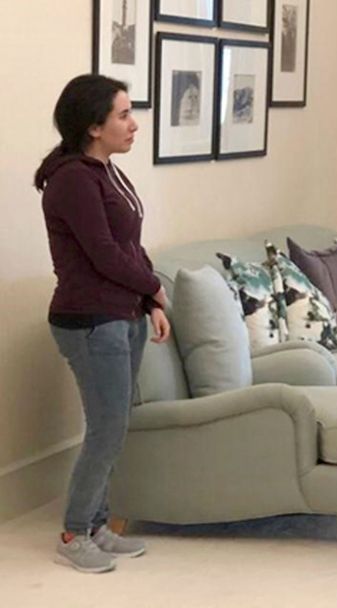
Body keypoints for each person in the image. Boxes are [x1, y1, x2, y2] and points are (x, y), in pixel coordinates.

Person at [34, 74, 170, 573]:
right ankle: (73, 533)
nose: (134, 124)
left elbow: (130, 245)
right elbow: (105, 254)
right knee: (107, 428)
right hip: (89, 320)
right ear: (94, 126)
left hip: (121, 316)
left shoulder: (106, 170)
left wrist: (151, 302)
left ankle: (96, 525)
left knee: (113, 425)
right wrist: (154, 288)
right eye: (123, 115)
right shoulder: (72, 179)